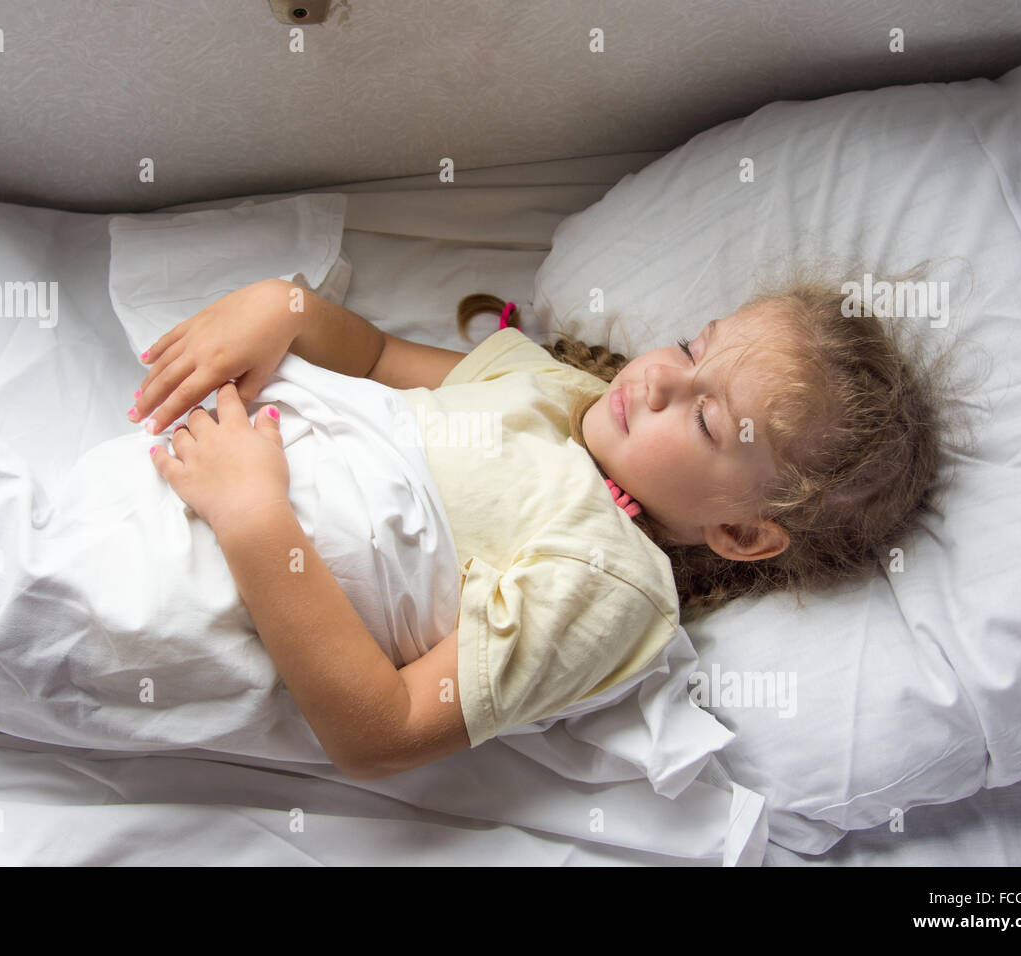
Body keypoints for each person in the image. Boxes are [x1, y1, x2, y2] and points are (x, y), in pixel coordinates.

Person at [130, 271, 959, 779]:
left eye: (710, 422)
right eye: (691, 346)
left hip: (198, 573)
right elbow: (376, 356)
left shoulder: (610, 582)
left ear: (742, 534)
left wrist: (252, 515)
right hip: (166, 469)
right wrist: (281, 304)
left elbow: (382, 734)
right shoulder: (549, 385)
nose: (664, 379)